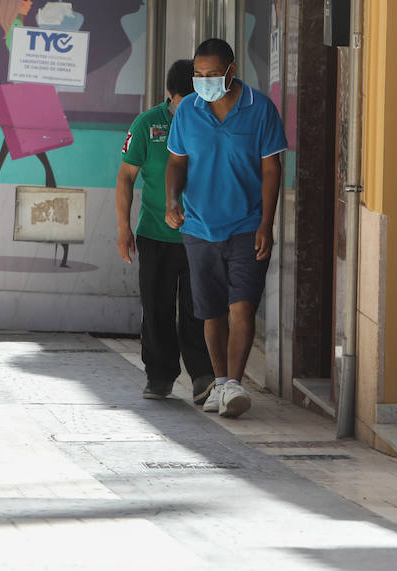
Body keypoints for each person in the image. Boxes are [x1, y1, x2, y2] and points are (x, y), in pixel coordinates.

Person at [166, 38, 287, 419]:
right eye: (198, 75)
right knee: (211, 312)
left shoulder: (260, 109)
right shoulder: (188, 110)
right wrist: (173, 201)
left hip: (247, 226)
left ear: (231, 71)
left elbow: (272, 170)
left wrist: (267, 223)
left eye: (212, 74)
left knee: (243, 307)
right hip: (199, 226)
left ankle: (234, 383)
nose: (204, 81)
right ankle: (220, 382)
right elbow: (176, 163)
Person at [117, 59, 214, 404]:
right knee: (157, 307)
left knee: (198, 307)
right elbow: (126, 178)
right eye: (182, 102)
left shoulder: (211, 120)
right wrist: (123, 228)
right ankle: (159, 375)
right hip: (155, 234)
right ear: (168, 96)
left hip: (201, 235)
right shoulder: (147, 124)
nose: (189, 109)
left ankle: (203, 376)